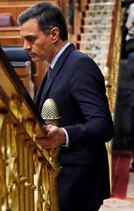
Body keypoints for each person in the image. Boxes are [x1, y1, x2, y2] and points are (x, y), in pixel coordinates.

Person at [18, 2, 114, 211]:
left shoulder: (79, 65)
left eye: (31, 39)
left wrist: (64, 135)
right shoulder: (55, 66)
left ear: (54, 34)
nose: (25, 46)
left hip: (78, 180)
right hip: (63, 177)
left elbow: (103, 126)